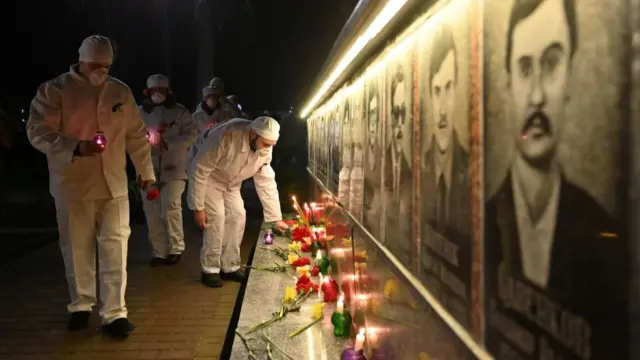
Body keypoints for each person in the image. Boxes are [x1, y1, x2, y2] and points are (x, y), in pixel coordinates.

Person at [484, 0, 626, 358]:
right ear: (508, 84)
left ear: (570, 79)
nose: (536, 96)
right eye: (524, 68)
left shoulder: (604, 239)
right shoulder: (482, 225)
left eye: (551, 64)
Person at [26, 35, 154, 338]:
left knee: (116, 247)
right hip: (73, 185)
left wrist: (145, 170)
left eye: (107, 66)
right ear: (81, 60)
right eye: (95, 65)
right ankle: (81, 305)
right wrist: (74, 147)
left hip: (114, 185)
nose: (101, 71)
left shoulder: (120, 90)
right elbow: (37, 130)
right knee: (77, 248)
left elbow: (136, 134)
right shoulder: (55, 90)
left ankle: (115, 313)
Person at [187, 117, 289, 288]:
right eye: (265, 143)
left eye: (272, 144)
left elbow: (266, 181)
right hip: (210, 178)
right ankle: (210, 270)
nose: (268, 148)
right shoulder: (226, 136)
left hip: (232, 182)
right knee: (217, 218)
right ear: (254, 134)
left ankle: (230, 266)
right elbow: (200, 169)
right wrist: (197, 207)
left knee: (238, 216)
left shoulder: (265, 147)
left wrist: (275, 217)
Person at [140, 74, 198, 267]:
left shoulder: (179, 112)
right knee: (152, 211)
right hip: (147, 168)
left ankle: (176, 247)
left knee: (171, 207)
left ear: (168, 91)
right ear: (148, 92)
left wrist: (169, 144)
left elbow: (192, 133)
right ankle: (159, 251)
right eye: (154, 91)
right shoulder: (139, 113)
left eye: (161, 91)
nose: (158, 95)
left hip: (174, 168)